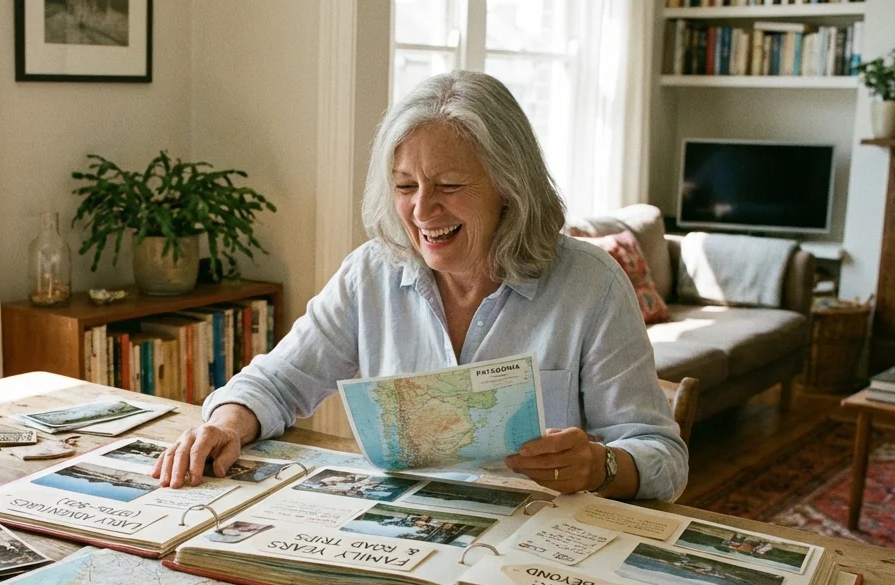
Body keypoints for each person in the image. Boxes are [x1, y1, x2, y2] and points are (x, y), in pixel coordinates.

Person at [153, 71, 687, 501]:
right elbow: (277, 382)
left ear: (510, 187)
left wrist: (602, 464)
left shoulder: (590, 287)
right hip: (402, 544)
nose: (422, 209)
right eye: (405, 186)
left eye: (450, 186)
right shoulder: (370, 274)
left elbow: (663, 457)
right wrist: (226, 423)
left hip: (538, 552)